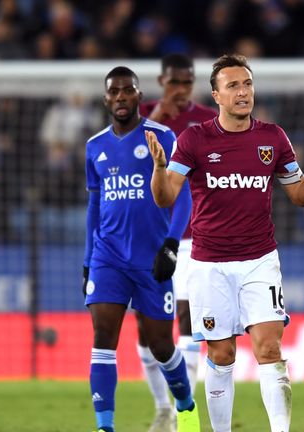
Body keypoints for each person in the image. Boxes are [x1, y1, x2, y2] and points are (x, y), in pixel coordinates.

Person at [146, 54, 304, 432]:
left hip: (259, 260)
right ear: (215, 95)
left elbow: (298, 194)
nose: (243, 91)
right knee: (222, 353)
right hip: (209, 263)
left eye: (247, 84)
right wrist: (158, 168)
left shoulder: (272, 137)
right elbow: (166, 197)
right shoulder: (195, 139)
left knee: (269, 348)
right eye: (233, 85)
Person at [83, 66, 199, 432]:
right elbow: (94, 206)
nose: (120, 97)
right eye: (113, 92)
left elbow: (183, 197)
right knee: (103, 338)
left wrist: (171, 244)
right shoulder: (95, 146)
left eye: (127, 90)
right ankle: (105, 426)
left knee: (162, 345)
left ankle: (185, 404)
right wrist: (88, 259)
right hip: (108, 257)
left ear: (138, 95)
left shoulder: (161, 137)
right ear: (106, 99)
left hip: (151, 258)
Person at [135, 53, 217, 432]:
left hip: (191, 236)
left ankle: (184, 410)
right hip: (146, 237)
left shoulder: (205, 119)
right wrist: (158, 116)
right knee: (147, 330)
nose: (181, 90)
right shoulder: (140, 115)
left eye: (187, 82)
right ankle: (161, 408)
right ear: (161, 81)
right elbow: (125, 157)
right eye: (174, 83)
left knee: (186, 320)